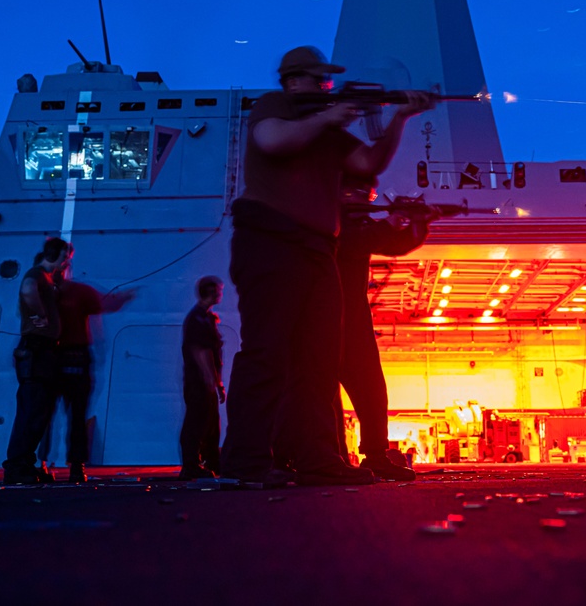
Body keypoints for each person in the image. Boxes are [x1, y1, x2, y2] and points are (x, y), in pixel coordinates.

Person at [220, 46, 432, 487]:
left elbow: (368, 164)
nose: (326, 88)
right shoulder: (275, 105)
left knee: (319, 359)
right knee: (267, 354)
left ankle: (318, 458)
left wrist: (398, 120)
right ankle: (245, 462)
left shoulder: (327, 130)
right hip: (270, 240)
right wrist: (328, 117)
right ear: (293, 80)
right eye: (319, 81)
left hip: (316, 248)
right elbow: (272, 140)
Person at [334, 175, 431, 481]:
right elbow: (358, 240)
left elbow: (391, 243)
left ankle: (369, 454)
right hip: (332, 313)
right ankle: (335, 455)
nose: (369, 200)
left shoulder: (351, 220)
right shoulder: (333, 221)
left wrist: (418, 223)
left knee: (370, 389)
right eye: (365, 194)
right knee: (340, 392)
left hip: (347, 315)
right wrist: (396, 222)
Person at [49, 261, 135, 483]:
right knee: (62, 415)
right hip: (66, 356)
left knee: (67, 415)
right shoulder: (68, 292)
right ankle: (70, 465)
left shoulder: (55, 292)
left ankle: (70, 464)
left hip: (62, 356)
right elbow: (108, 304)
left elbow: (106, 304)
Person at [3, 237, 73, 485]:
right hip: (37, 350)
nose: (66, 261)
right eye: (66, 256)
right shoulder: (37, 275)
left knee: (38, 412)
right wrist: (40, 314)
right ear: (57, 253)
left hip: (42, 352)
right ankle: (16, 466)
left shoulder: (48, 280)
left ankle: (24, 464)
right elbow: (28, 289)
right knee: (31, 411)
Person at [180, 276, 226, 479]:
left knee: (210, 423)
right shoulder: (198, 319)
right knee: (197, 422)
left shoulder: (206, 317)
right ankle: (191, 465)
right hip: (199, 381)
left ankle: (211, 462)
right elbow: (200, 350)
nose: (221, 294)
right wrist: (211, 380)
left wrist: (217, 382)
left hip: (204, 380)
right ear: (211, 292)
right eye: (219, 290)